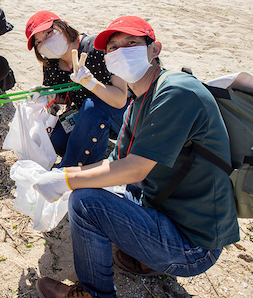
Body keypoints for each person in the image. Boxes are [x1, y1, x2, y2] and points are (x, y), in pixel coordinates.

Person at [33, 16, 239, 298]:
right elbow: (115, 164)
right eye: (113, 48)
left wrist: (68, 179)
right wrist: (65, 174)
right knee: (98, 185)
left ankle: (96, 293)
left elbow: (134, 170)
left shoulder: (175, 91)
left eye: (131, 43)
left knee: (85, 203)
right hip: (169, 214)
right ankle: (146, 256)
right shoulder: (141, 99)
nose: (121, 52)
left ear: (155, 49)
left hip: (194, 245)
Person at [25, 11, 128, 168]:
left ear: (63, 26)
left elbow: (121, 99)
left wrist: (92, 84)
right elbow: (64, 96)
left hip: (122, 113)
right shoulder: (52, 66)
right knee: (56, 140)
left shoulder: (97, 48)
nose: (45, 42)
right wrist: (48, 95)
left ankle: (69, 172)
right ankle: (94, 147)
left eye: (48, 33)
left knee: (92, 105)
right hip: (85, 113)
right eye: (38, 42)